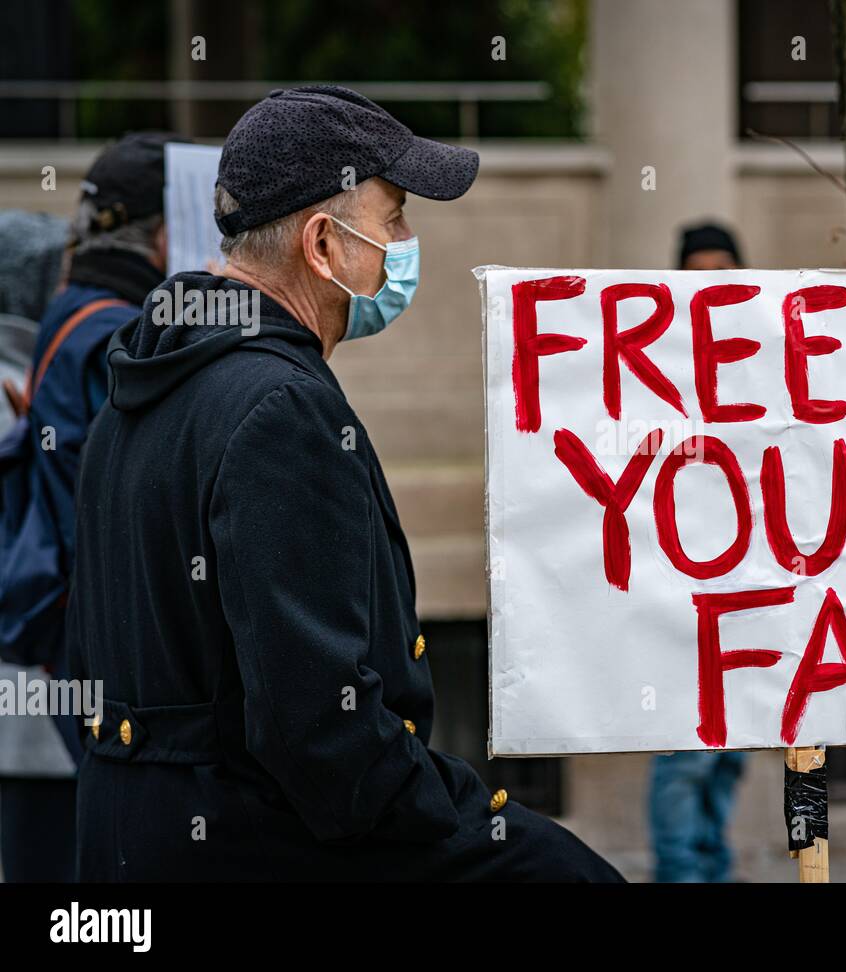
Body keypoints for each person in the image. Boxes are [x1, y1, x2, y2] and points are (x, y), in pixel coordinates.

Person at [66, 85, 622, 882]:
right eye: (393, 217)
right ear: (323, 244)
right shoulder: (279, 410)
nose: (406, 240)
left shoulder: (145, 381)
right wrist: (491, 838)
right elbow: (327, 742)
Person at [0, 137, 184, 881]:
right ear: (168, 236)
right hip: (92, 677)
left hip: (52, 674)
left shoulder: (68, 329)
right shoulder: (114, 336)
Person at [647, 221, 750, 883]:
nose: (710, 287)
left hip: (749, 586)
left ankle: (711, 866)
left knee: (730, 749)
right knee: (687, 750)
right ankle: (683, 875)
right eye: (697, 274)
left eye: (723, 273)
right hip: (683, 588)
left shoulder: (759, 362)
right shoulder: (660, 369)